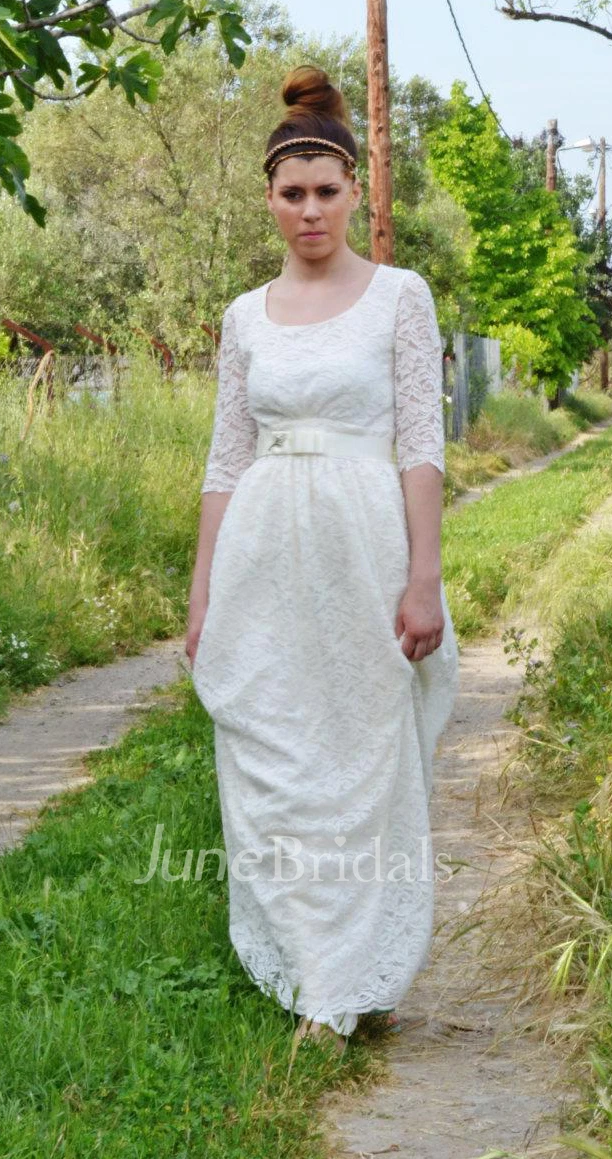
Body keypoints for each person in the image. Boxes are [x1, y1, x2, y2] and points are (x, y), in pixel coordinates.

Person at [185, 65, 459, 1061]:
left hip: (363, 550)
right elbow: (225, 458)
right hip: (262, 556)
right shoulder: (243, 316)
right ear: (268, 197)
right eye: (290, 193)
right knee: (277, 761)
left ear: (353, 192)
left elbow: (419, 443)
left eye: (325, 190)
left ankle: (358, 978)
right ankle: (320, 980)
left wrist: (421, 575)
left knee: (361, 763)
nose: (308, 210)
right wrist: (202, 589)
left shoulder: (399, 295)